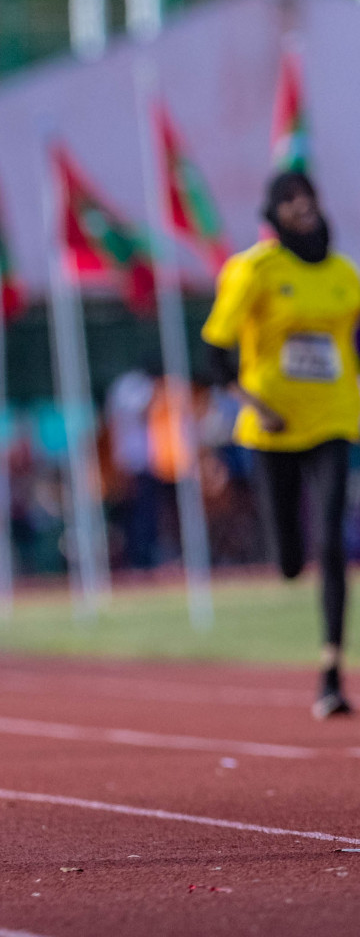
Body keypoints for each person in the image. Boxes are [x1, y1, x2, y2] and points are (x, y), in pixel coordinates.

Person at [202, 170, 360, 720]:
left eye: (308, 197)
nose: (303, 207)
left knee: (334, 540)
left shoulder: (345, 274)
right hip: (271, 425)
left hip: (335, 418)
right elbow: (216, 350)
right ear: (274, 213)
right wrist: (252, 403)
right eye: (290, 200)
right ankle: (290, 559)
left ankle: (331, 674)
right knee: (291, 557)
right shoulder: (254, 269)